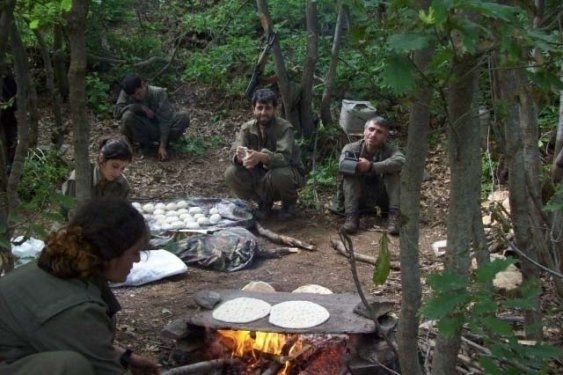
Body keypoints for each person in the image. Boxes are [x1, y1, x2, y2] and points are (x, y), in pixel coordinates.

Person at [0, 198, 161, 374]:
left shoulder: (65, 271)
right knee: (70, 367)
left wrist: (124, 357)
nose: (137, 259)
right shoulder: (74, 308)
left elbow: (73, 338)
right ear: (110, 252)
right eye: (134, 252)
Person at [224, 88, 305, 220]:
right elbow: (233, 151)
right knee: (231, 173)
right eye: (259, 108)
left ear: (274, 109)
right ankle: (263, 203)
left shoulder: (284, 128)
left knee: (280, 174)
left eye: (267, 108)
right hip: (260, 176)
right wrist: (239, 157)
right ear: (253, 109)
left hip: (288, 173)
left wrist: (262, 157)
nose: (263, 112)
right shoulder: (247, 128)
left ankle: (289, 205)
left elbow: (285, 159)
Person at [337, 116, 405, 235]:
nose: (373, 134)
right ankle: (351, 218)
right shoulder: (352, 148)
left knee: (393, 173)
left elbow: (401, 161)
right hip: (359, 198)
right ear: (364, 131)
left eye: (379, 132)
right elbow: (343, 166)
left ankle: (394, 217)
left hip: (382, 199)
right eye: (371, 129)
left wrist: (371, 166)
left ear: (385, 137)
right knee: (350, 174)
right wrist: (358, 167)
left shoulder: (390, 150)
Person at [114, 74, 189, 161]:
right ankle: (143, 144)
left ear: (143, 85)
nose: (137, 97)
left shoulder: (158, 93)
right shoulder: (126, 92)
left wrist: (162, 146)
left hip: (159, 127)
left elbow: (165, 121)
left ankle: (163, 144)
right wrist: (138, 107)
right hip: (143, 127)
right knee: (127, 116)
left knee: (183, 117)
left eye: (139, 93)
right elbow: (117, 113)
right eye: (134, 96)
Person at [62, 135, 133, 204]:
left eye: (122, 169)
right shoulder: (79, 178)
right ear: (102, 158)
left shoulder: (122, 185)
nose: (117, 173)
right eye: (114, 166)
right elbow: (70, 211)